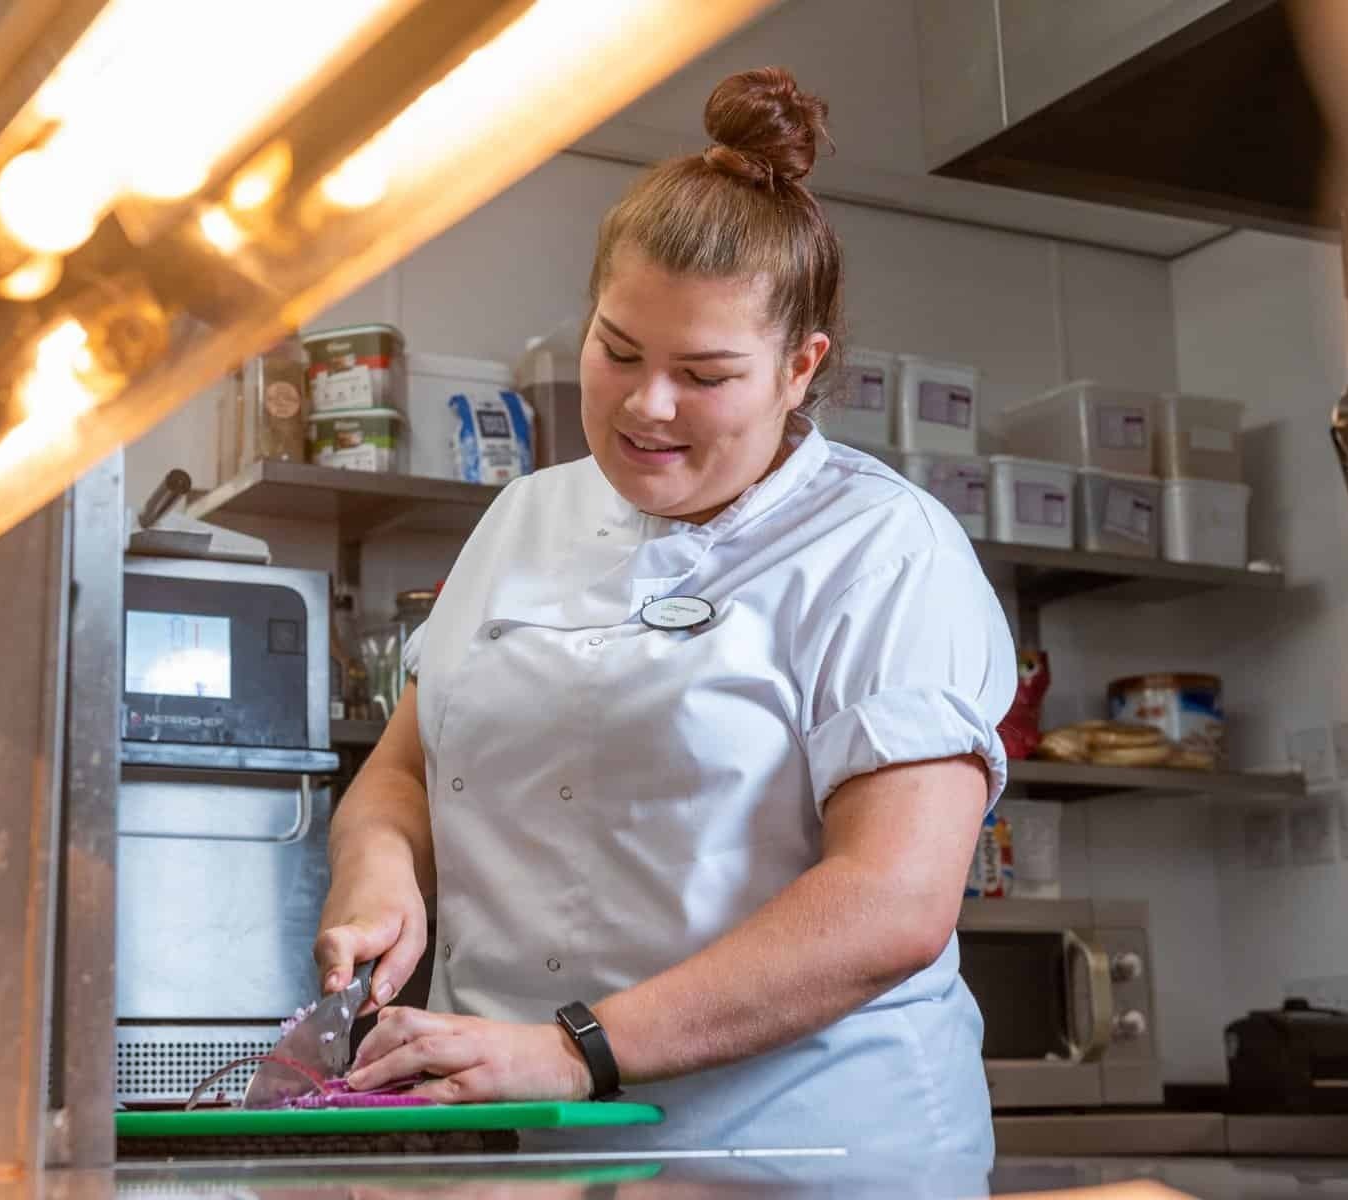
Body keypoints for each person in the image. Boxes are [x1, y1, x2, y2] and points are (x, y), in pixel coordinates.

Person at [314, 66, 1015, 1162]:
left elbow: (891, 902)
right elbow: (406, 769)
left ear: (800, 368)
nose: (647, 405)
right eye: (619, 351)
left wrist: (574, 1049)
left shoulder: (886, 551)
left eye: (706, 373)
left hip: (796, 1150)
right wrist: (380, 874)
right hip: (527, 1146)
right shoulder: (522, 517)